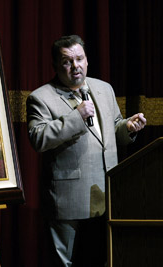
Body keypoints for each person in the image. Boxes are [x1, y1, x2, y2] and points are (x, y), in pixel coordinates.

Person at [26, 35, 147, 267]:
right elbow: (38, 138)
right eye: (67, 62)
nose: (75, 66)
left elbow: (114, 128)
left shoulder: (103, 88)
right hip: (67, 195)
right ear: (55, 65)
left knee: (104, 255)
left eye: (79, 59)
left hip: (108, 190)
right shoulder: (40, 98)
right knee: (65, 261)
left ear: (87, 60)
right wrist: (76, 117)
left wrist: (128, 128)